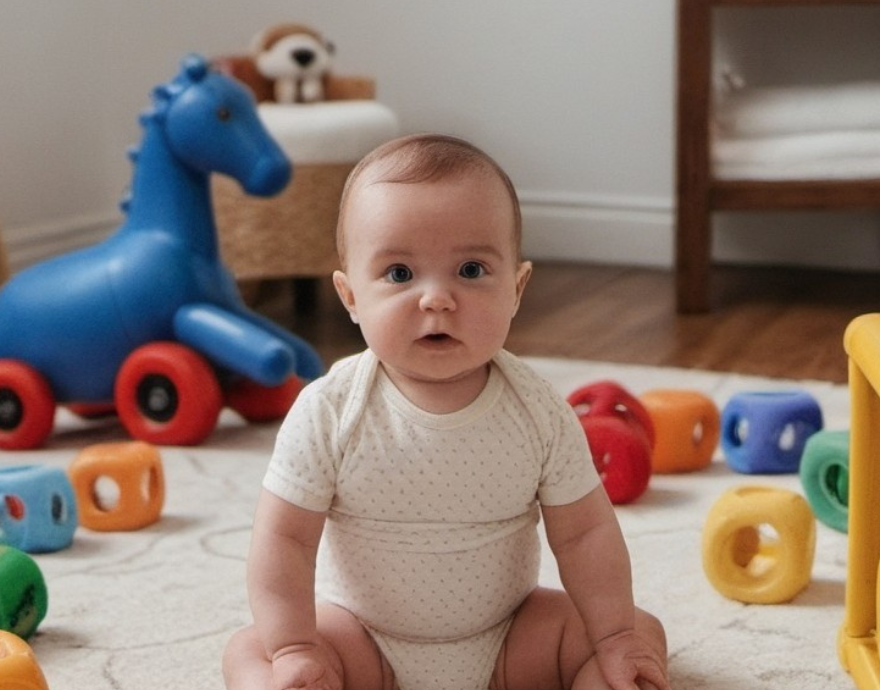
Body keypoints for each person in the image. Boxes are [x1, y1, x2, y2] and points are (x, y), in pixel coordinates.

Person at [223, 133, 670, 690]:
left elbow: (584, 534)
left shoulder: (538, 411)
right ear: (351, 297)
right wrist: (293, 646)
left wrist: (612, 639)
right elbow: (284, 540)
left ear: (517, 288)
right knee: (253, 651)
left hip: (510, 640)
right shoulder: (329, 410)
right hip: (363, 641)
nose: (436, 298)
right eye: (401, 274)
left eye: (472, 270)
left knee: (637, 633)